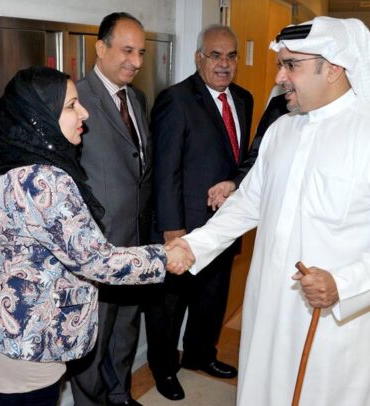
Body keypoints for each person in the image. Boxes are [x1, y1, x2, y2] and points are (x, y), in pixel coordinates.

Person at [0, 66, 191, 406]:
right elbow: (95, 260)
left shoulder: (19, 168)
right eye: (71, 106)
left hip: (2, 331)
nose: (84, 113)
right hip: (22, 340)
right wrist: (165, 256)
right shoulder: (44, 181)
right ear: (40, 117)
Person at [172, 16, 370, 406]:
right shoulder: (281, 130)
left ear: (333, 67)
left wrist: (344, 284)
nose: (279, 78)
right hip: (267, 306)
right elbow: (248, 203)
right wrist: (193, 246)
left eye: (291, 65)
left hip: (331, 321)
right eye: (281, 64)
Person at [143, 24, 253, 400]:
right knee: (169, 306)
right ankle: (163, 368)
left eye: (231, 56)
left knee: (212, 298)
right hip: (184, 228)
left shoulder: (243, 98)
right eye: (215, 55)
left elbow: (240, 161)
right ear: (198, 58)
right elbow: (165, 169)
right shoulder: (176, 100)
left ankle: (200, 355)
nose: (224, 64)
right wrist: (172, 230)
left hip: (224, 225)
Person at [68, 12, 152, 406]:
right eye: (127, 50)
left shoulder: (136, 99)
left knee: (125, 329)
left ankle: (120, 395)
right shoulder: (76, 99)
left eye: (141, 53)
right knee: (94, 338)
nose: (135, 61)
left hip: (135, 242)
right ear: (100, 48)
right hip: (96, 246)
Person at [207, 91, 289, 210]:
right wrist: (234, 183)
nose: (279, 81)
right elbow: (258, 154)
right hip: (277, 203)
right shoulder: (281, 105)